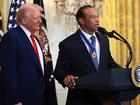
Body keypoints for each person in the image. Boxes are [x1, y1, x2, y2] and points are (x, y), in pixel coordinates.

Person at [54, 5, 121, 105]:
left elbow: (108, 62)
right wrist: (65, 77)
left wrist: (124, 73)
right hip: (81, 99)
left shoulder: (103, 39)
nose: (97, 20)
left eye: (97, 16)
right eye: (93, 17)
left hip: (105, 98)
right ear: (82, 20)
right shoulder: (68, 44)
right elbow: (59, 70)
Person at [0, 3, 57, 105]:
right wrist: (15, 100)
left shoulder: (34, 38)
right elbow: (9, 72)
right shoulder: (11, 37)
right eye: (36, 18)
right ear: (24, 20)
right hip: (23, 100)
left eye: (40, 17)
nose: (40, 21)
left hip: (41, 97)